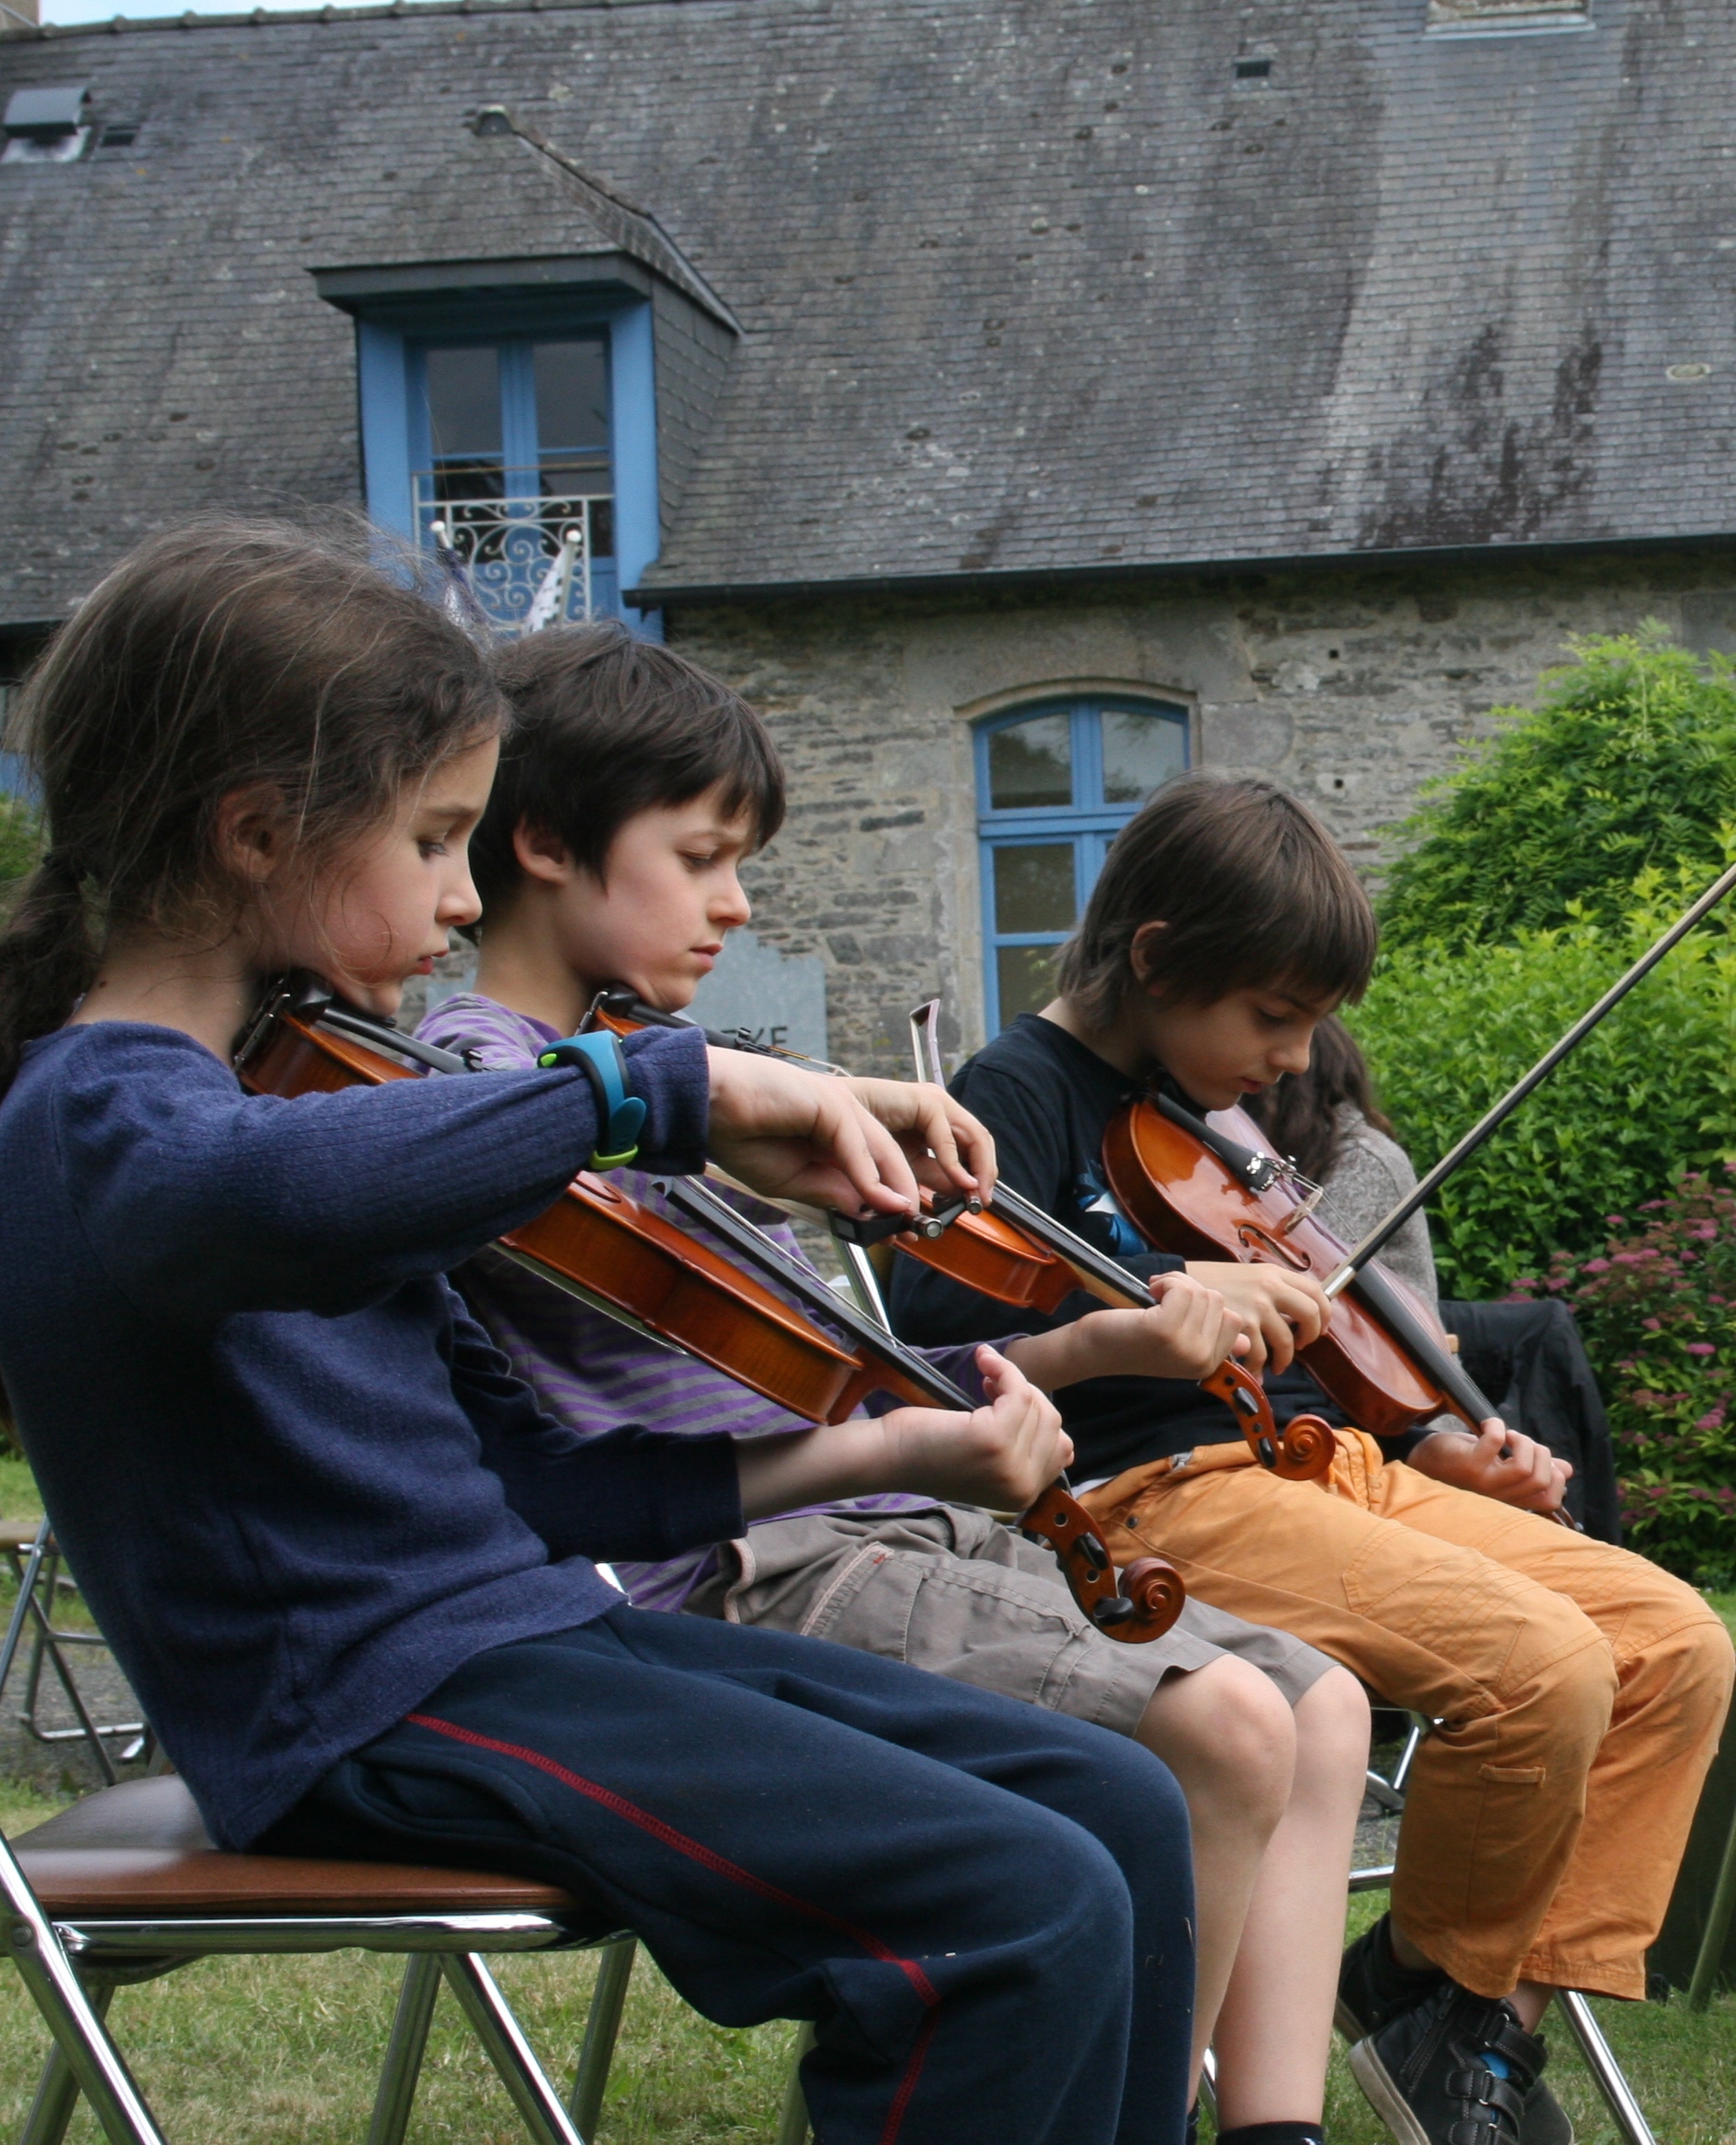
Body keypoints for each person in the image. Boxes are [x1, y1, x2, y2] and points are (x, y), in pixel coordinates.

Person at [0, 519, 1203, 2145]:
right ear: (256, 834)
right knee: (1008, 1903)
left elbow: (538, 1481)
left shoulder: (315, 1101)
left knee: (1114, 1802)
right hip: (364, 1702)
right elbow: (249, 1203)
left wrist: (880, 1446)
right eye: (435, 840)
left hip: (516, 1643)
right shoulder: (103, 1111)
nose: (456, 895)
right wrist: (661, 1093)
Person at [417, 622, 1371, 2145]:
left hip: (871, 1525)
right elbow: (470, 1142)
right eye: (702, 855)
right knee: (1236, 1725)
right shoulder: (491, 1076)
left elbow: (829, 1376)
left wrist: (1100, 1343)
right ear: (545, 844)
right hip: (743, 1572)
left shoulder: (654, 1085)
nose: (735, 905)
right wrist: (703, 1101)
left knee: (1323, 1707)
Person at [890, 773, 1735, 2145]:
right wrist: (1160, 1295)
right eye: (1272, 1017)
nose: (1292, 1059)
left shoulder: (1197, 1113)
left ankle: (1451, 2020)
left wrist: (1441, 1443)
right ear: (1155, 956)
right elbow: (944, 1327)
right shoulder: (1015, 1092)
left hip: (1315, 1463)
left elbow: (1317, 1360)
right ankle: (1430, 2012)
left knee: (1673, 1642)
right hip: (1149, 1496)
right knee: (1544, 1667)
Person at [1245, 1017, 1622, 1543]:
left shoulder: (1361, 1160)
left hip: (1399, 1422)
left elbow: (1299, 1281)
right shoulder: (1289, 1163)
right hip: (1339, 1417)